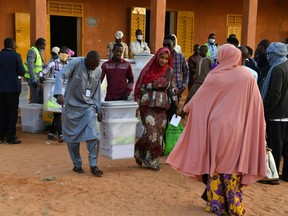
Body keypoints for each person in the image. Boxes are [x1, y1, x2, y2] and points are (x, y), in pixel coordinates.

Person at [166, 44, 266, 215]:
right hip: (238, 128)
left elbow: (198, 98)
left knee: (216, 164)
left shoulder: (215, 75)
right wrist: (260, 127)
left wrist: (183, 111)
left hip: (216, 127)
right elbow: (257, 105)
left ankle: (216, 203)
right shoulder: (247, 76)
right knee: (233, 165)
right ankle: (233, 204)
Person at [54, 50, 103, 176]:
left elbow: (97, 91)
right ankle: (77, 165)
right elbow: (60, 75)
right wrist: (59, 94)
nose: (94, 68)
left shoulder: (98, 70)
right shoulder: (76, 63)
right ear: (86, 60)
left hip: (88, 107)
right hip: (71, 106)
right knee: (72, 138)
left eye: (96, 65)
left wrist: (99, 108)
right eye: (92, 65)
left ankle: (93, 165)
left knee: (93, 135)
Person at [134, 47, 180, 171]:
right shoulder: (147, 70)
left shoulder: (169, 72)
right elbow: (139, 88)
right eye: (161, 57)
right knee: (152, 132)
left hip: (162, 107)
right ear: (157, 57)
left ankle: (145, 155)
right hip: (147, 105)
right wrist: (137, 106)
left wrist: (176, 106)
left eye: (166, 59)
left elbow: (172, 90)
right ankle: (148, 157)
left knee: (158, 134)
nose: (163, 61)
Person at [261, 42, 288, 183]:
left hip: (276, 115)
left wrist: (265, 111)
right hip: (285, 114)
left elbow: (274, 94)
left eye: (270, 54)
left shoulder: (277, 69)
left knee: (275, 146)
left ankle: (273, 175)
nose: (268, 56)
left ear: (276, 54)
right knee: (286, 147)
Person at [39, 46, 70, 142]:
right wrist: (41, 77)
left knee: (58, 113)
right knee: (57, 113)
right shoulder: (53, 64)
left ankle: (51, 132)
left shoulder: (69, 65)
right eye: (63, 53)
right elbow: (42, 72)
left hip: (64, 92)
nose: (64, 55)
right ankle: (61, 135)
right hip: (53, 92)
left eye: (66, 53)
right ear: (59, 54)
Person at [0, 38, 26, 144]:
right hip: (12, 89)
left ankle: (1, 136)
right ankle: (10, 137)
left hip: (0, 89)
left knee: (1, 112)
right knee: (12, 112)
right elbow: (21, 71)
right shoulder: (16, 56)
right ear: (13, 46)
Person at [181, 45, 213, 118]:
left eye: (201, 50)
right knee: (189, 96)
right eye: (199, 50)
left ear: (205, 51)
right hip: (197, 82)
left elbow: (214, 70)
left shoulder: (209, 60)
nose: (199, 51)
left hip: (204, 83)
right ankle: (183, 113)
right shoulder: (199, 59)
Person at [163, 35, 188, 120]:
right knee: (163, 116)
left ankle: (173, 133)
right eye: (164, 45)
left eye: (168, 45)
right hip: (163, 91)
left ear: (173, 45)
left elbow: (186, 73)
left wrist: (183, 86)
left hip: (177, 90)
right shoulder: (161, 57)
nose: (166, 47)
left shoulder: (181, 57)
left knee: (174, 115)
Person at [24, 37, 46, 104]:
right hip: (33, 80)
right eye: (43, 45)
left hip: (38, 80)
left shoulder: (38, 52)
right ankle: (33, 114)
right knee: (35, 99)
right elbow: (30, 66)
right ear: (39, 45)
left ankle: (39, 114)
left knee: (41, 99)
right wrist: (33, 79)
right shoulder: (32, 51)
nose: (44, 48)